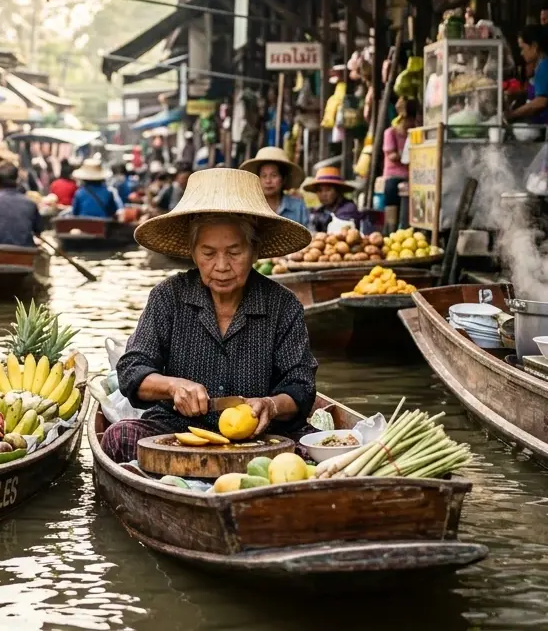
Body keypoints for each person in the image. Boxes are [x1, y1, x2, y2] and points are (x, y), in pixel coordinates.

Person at [100, 168, 317, 462]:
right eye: (208, 253)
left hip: (260, 437)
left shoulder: (283, 305)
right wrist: (174, 386)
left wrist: (271, 405)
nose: (222, 265)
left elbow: (301, 384)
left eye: (234, 252)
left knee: (309, 453)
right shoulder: (168, 296)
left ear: (254, 252)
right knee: (119, 437)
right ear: (192, 252)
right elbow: (132, 370)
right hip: (177, 431)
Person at [510, 24, 548, 148]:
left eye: (523, 48)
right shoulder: (545, 64)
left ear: (534, 46)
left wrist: (512, 115)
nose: (521, 53)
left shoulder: (546, 66)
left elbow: (541, 102)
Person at [239, 146, 308, 227]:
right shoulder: (249, 207)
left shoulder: (298, 207)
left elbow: (309, 235)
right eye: (264, 176)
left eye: (274, 175)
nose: (268, 181)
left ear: (283, 179)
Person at [381, 99, 421, 227]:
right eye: (409, 120)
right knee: (392, 199)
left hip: (411, 177)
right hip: (394, 177)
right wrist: (408, 154)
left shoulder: (414, 134)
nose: (411, 124)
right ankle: (390, 229)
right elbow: (392, 155)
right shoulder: (390, 133)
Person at [304, 166, 361, 232]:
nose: (323, 194)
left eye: (328, 190)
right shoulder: (321, 209)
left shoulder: (348, 208)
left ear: (337, 191)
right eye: (320, 190)